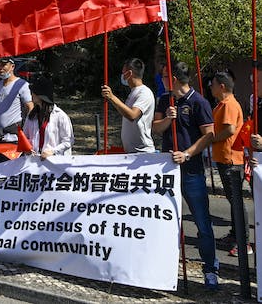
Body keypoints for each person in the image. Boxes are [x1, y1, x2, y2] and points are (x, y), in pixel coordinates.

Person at [151, 61, 218, 289]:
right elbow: (155, 128)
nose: (162, 79)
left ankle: (210, 270)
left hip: (191, 170)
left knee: (202, 221)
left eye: (164, 75)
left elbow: (209, 134)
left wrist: (187, 154)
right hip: (166, 171)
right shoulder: (164, 100)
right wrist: (168, 119)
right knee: (166, 221)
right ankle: (166, 267)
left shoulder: (199, 102)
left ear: (175, 77)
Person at [209, 71, 250, 257]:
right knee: (233, 202)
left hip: (231, 159)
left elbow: (230, 130)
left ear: (222, 86)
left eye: (213, 84)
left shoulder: (229, 105)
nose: (211, 87)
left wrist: (212, 140)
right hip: (225, 158)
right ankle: (235, 235)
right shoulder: (223, 104)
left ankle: (244, 242)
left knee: (236, 202)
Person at [101, 58, 155, 153]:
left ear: (129, 73)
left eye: (123, 72)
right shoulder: (133, 93)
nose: (122, 76)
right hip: (131, 151)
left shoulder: (144, 93)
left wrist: (112, 97)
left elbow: (132, 115)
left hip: (142, 152)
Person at [23, 77, 73, 159]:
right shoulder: (31, 116)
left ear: (41, 95)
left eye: (34, 92)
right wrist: (27, 148)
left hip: (54, 164)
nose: (31, 95)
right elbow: (26, 137)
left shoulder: (60, 116)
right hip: (34, 163)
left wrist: (53, 151)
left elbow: (68, 141)